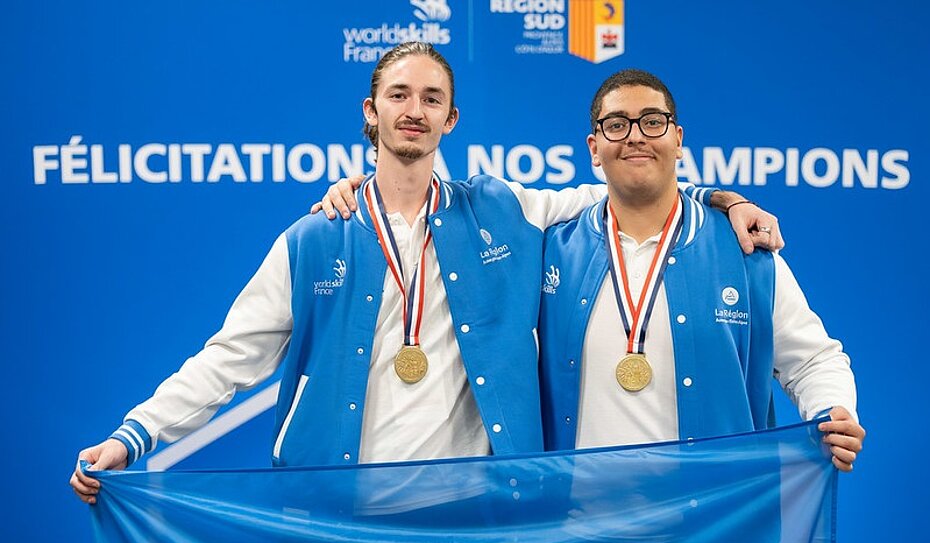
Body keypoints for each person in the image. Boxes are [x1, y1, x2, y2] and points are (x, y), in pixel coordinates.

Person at [70, 43, 780, 504]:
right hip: (334, 516)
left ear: (452, 119)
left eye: (431, 98)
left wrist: (723, 199)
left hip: (461, 527)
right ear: (371, 112)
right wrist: (135, 435)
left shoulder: (505, 211)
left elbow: (631, 185)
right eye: (400, 95)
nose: (415, 110)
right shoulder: (318, 236)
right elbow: (228, 359)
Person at [537, 69, 865, 470]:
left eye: (653, 122)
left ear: (677, 140)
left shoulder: (745, 249)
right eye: (617, 125)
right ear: (594, 148)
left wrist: (833, 410)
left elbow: (813, 360)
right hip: (577, 524)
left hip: (711, 523)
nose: (636, 136)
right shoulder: (551, 252)